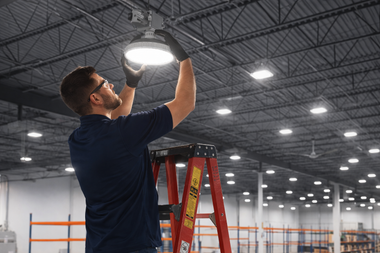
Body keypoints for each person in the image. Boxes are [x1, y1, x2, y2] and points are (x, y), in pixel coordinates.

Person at [59, 30, 196, 253]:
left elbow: (112, 123)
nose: (110, 85)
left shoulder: (77, 139)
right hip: (133, 247)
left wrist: (131, 84)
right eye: (104, 84)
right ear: (95, 98)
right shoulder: (123, 132)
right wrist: (184, 58)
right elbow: (185, 102)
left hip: (99, 247)